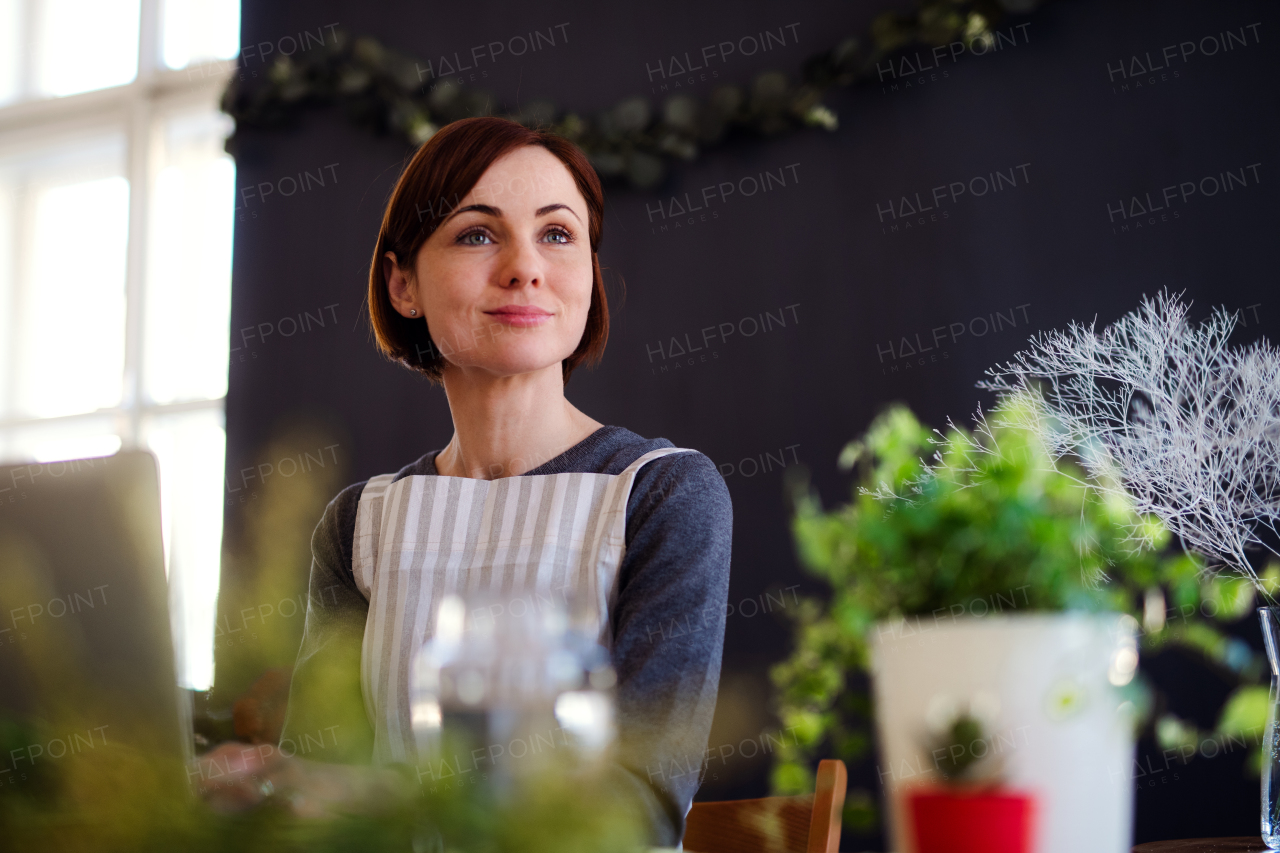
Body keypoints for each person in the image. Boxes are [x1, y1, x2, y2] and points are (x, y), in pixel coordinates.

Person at [197, 116, 732, 847]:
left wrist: (361, 801)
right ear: (403, 283)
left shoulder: (661, 495)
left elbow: (637, 808)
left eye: (558, 234)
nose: (524, 267)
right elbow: (320, 781)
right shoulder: (359, 523)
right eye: (478, 234)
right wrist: (263, 784)